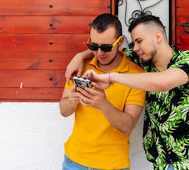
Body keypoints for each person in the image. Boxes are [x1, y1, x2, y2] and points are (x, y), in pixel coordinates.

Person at [66, 14, 189, 170]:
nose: (135, 48)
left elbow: (163, 82)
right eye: (133, 43)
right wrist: (79, 56)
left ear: (158, 36)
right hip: (162, 164)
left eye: (139, 41)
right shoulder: (142, 62)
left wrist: (112, 78)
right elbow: (107, 50)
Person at [60, 13, 146, 170]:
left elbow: (128, 125)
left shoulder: (136, 76)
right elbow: (64, 112)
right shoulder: (81, 66)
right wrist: (70, 101)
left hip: (113, 165)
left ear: (120, 42)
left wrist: (103, 105)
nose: (99, 53)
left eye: (106, 47)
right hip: (74, 160)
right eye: (93, 46)